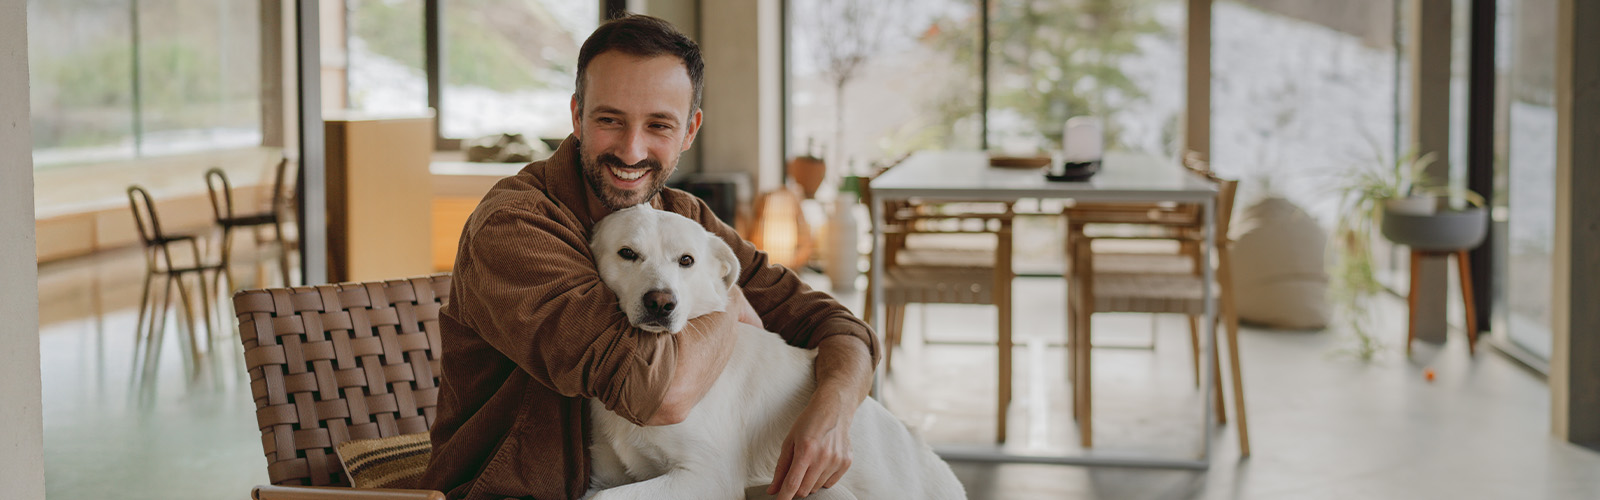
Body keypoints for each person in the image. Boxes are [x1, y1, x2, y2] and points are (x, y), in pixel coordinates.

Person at [418, 15, 880, 500]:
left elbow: (837, 325)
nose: (632, 149)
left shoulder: (682, 217)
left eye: (659, 124)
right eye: (609, 120)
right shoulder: (515, 225)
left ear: (689, 130)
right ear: (577, 117)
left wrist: (832, 414)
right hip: (514, 490)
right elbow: (657, 394)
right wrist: (727, 299)